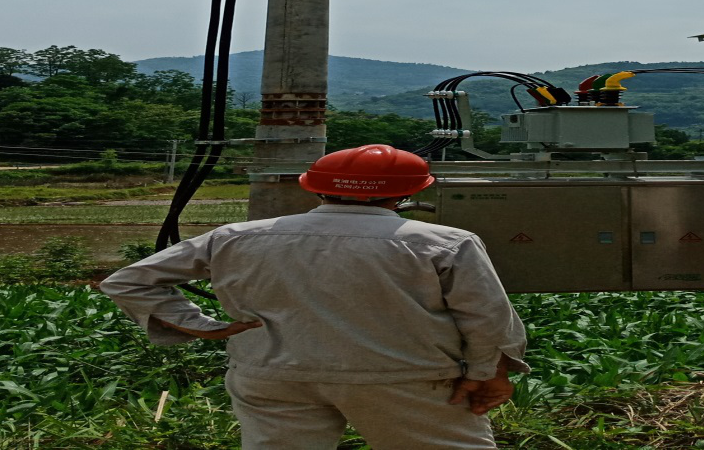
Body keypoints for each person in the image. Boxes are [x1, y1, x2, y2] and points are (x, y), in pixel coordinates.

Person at [99, 144, 529, 450]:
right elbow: (486, 317)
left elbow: (128, 282)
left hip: (272, 375)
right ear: (410, 193)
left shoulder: (235, 237)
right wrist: (487, 372)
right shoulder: (444, 241)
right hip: (404, 379)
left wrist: (201, 326)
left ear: (315, 188)